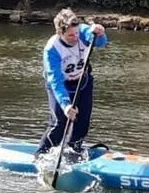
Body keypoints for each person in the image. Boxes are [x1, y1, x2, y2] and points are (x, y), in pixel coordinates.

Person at [36, 9, 109, 160]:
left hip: (82, 82)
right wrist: (66, 105)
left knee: (83, 121)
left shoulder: (82, 31)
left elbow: (100, 42)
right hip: (60, 85)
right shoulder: (52, 49)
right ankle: (41, 155)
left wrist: (100, 33)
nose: (75, 37)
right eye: (70, 35)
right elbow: (55, 80)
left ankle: (73, 151)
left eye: (76, 33)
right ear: (60, 33)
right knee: (60, 122)